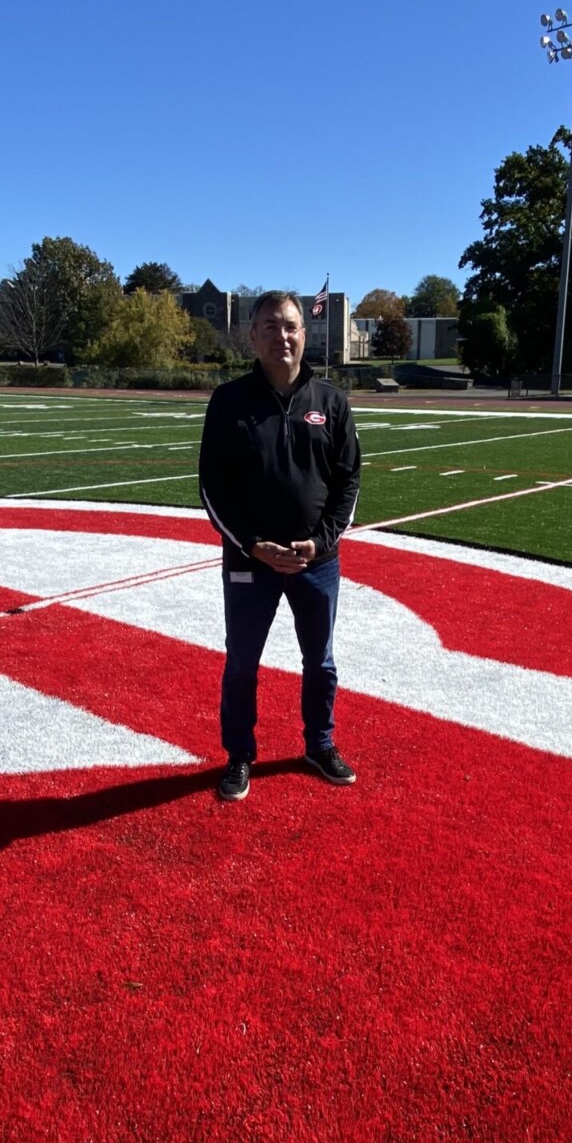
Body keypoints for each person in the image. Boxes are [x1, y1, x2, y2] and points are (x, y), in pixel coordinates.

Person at [197, 290, 362, 802]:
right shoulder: (229, 401)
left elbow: (348, 483)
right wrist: (253, 545)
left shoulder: (331, 401)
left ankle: (319, 743)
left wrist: (319, 543)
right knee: (243, 661)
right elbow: (211, 486)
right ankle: (239, 754)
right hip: (251, 563)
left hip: (318, 563)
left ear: (304, 334)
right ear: (253, 336)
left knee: (322, 661)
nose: (281, 336)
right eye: (270, 327)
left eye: (289, 326)